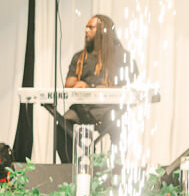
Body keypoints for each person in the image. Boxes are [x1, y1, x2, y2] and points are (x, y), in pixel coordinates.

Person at [55, 14, 136, 162]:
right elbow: (69, 82)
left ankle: (116, 169)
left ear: (102, 30)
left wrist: (94, 86)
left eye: (91, 27)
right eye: (86, 27)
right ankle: (68, 170)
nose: (86, 30)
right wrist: (78, 84)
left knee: (121, 124)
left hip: (108, 110)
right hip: (82, 110)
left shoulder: (119, 56)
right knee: (61, 125)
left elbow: (129, 82)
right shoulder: (80, 57)